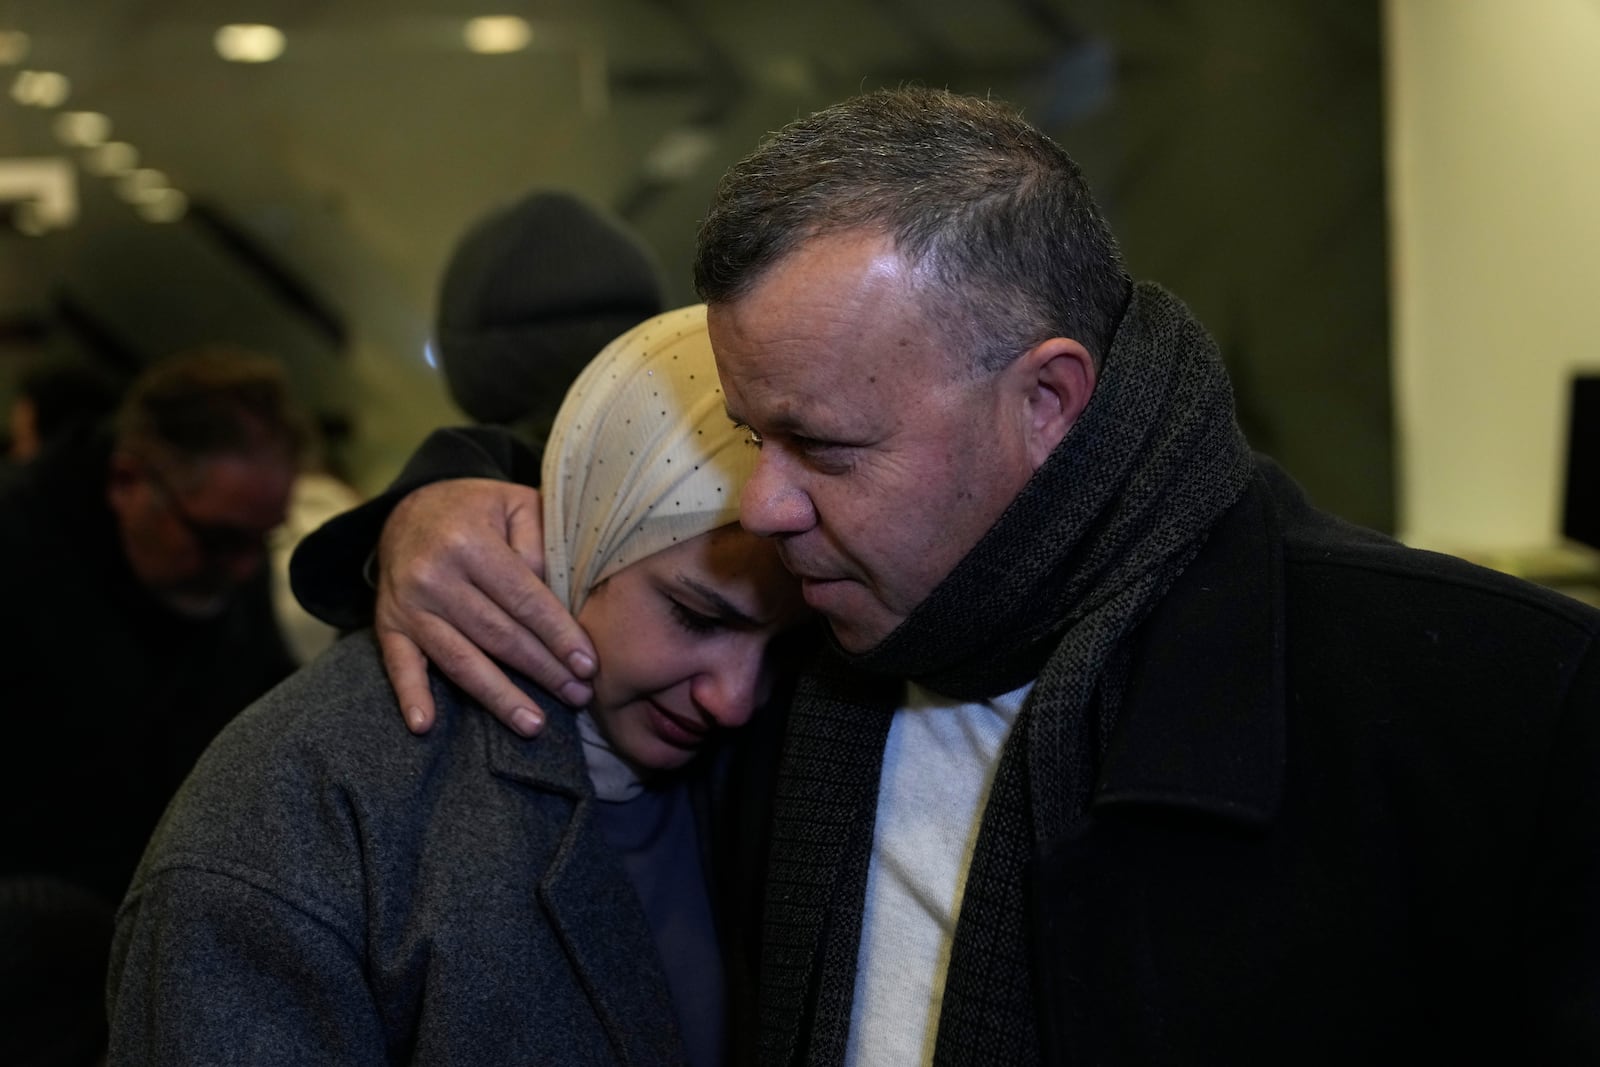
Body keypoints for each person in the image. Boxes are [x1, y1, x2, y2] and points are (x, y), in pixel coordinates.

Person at [292, 89, 1600, 1064]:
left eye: (824, 444)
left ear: (1046, 399)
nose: (763, 501)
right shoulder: (817, 630)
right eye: (752, 431)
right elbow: (599, 482)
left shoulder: (1502, 706)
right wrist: (430, 508)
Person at [107, 307, 810, 1065]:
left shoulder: (775, 759)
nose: (736, 698)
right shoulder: (304, 815)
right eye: (695, 615)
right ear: (581, 532)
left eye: (786, 647)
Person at [0, 347, 303, 906]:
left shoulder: (227, 554)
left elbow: (262, 699)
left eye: (263, 541)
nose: (243, 570)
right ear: (126, 481)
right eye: (221, 542)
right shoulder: (17, 552)